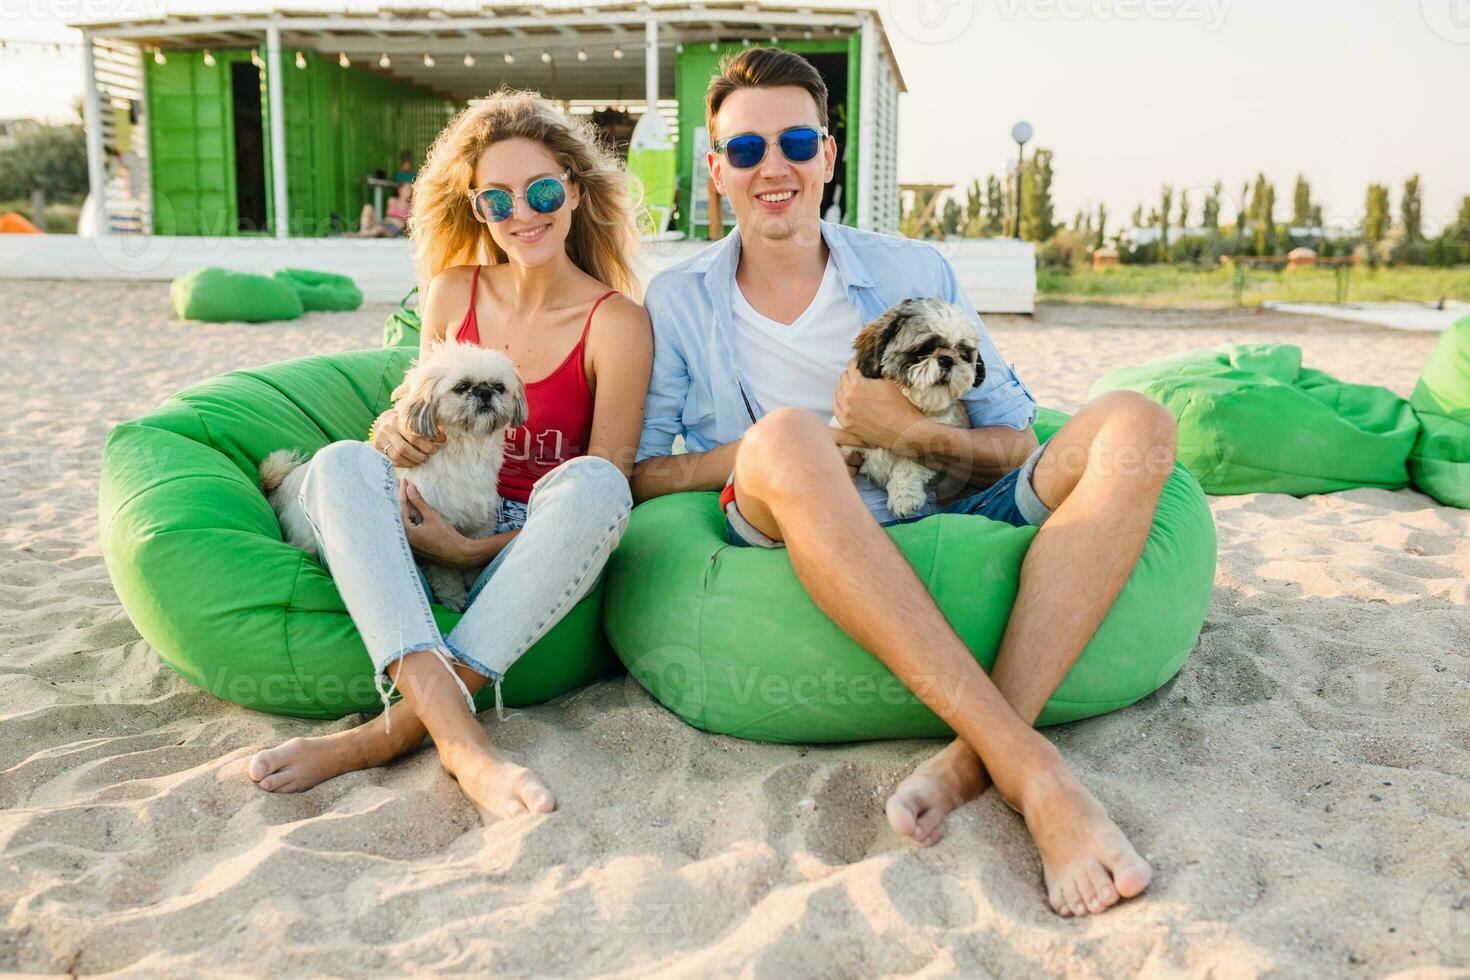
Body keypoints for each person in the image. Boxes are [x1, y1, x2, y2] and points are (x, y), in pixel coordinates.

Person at [631, 48, 1176, 918]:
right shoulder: (678, 299)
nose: (773, 167)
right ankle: (1035, 772)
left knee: (1138, 422)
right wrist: (800, 443)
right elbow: (643, 473)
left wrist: (908, 433)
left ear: (829, 156)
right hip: (794, 510)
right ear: (715, 171)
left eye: (796, 141)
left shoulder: (915, 269)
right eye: (744, 151)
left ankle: (972, 757)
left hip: (949, 486)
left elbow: (1016, 438)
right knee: (785, 435)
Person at [248, 90, 653, 821]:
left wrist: (469, 551)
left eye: (540, 191)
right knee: (342, 461)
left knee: (594, 485)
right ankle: (458, 734)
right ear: (474, 209)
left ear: (574, 185)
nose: (522, 214)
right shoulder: (453, 290)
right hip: (427, 505)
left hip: (528, 540)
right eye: (496, 200)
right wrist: (391, 433)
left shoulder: (617, 321)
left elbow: (609, 490)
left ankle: (398, 736)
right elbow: (413, 416)